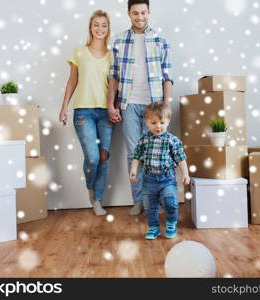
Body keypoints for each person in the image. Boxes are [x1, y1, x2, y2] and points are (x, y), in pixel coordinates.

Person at [107, 0, 174, 215]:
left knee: (156, 154)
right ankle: (139, 200)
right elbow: (114, 77)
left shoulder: (160, 41)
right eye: (135, 13)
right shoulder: (118, 41)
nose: (139, 17)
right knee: (133, 155)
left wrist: (166, 105)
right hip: (128, 104)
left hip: (154, 106)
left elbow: (167, 77)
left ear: (149, 12)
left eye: (143, 13)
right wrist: (111, 104)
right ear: (128, 14)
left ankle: (156, 202)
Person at [59, 10, 113, 216]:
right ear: (90, 27)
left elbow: (114, 86)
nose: (100, 29)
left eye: (104, 25)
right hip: (83, 111)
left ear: (108, 29)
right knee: (92, 157)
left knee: (103, 157)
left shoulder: (113, 55)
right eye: (96, 25)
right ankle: (91, 187)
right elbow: (72, 80)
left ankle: (97, 200)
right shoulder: (79, 52)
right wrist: (64, 107)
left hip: (106, 113)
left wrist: (115, 107)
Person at [130, 102, 190, 239]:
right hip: (149, 179)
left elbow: (180, 158)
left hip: (167, 179)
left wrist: (185, 174)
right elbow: (137, 156)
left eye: (162, 122)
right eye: (154, 122)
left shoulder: (172, 140)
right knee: (150, 206)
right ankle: (154, 228)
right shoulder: (144, 140)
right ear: (147, 122)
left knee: (170, 201)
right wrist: (133, 170)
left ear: (168, 121)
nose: (158, 126)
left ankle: (171, 222)